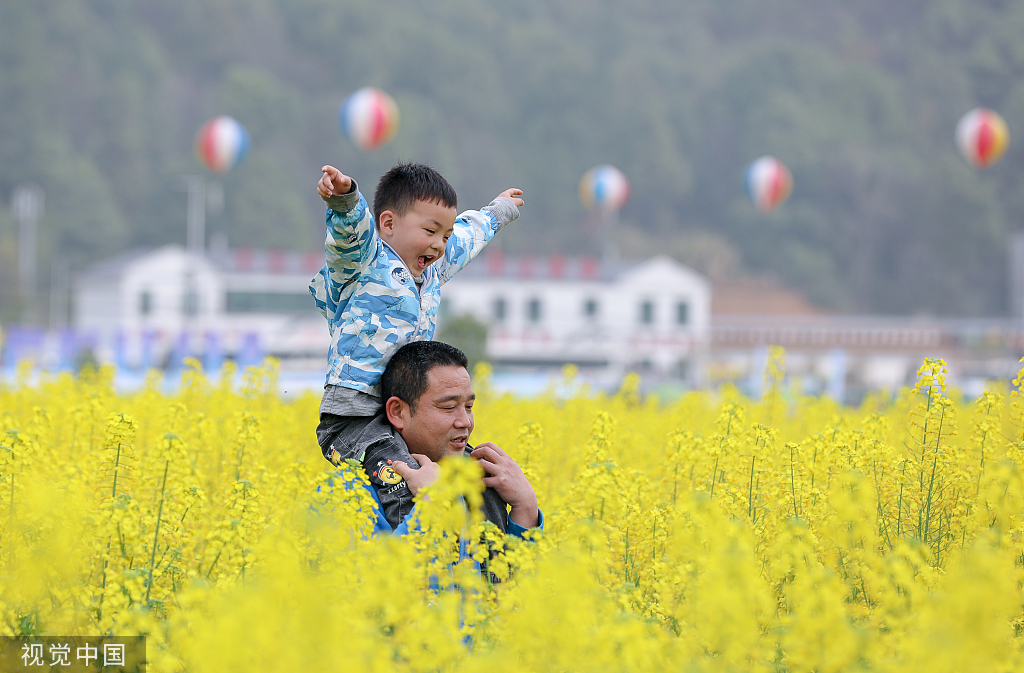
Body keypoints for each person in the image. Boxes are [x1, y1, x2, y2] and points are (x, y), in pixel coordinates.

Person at [309, 163, 524, 529]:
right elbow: (349, 236)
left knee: (478, 479)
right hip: (355, 416)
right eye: (430, 231)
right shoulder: (365, 261)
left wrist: (498, 212)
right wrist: (346, 201)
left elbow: (467, 238)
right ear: (389, 224)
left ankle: (495, 564)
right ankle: (413, 557)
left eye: (444, 235)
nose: (439, 244)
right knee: (403, 479)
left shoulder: (432, 271)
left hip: (408, 411)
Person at [325, 341, 542, 539]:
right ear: (398, 412)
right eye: (448, 407)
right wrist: (430, 507)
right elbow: (371, 578)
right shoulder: (346, 494)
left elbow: (510, 581)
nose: (465, 422)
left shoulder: (473, 482)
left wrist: (526, 507)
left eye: (469, 407)